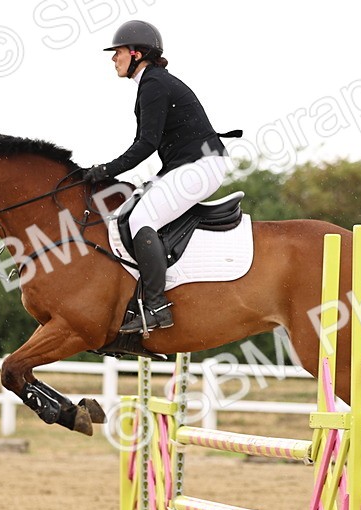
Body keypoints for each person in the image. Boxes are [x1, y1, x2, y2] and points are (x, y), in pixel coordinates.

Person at [86, 20, 234, 335]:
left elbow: (146, 144)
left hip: (201, 165)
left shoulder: (153, 84)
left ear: (137, 53)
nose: (114, 58)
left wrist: (104, 170)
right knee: (130, 213)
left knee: (141, 219)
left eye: (119, 52)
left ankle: (156, 306)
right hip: (189, 165)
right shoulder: (151, 82)